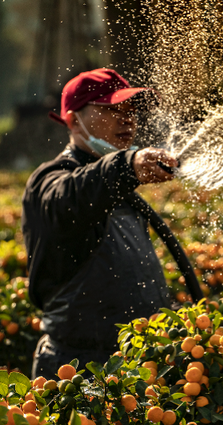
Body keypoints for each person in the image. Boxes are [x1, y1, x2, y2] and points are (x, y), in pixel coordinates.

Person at [22, 69, 181, 379]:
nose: (127, 119)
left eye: (130, 109)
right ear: (72, 120)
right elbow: (71, 197)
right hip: (76, 371)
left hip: (137, 369)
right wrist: (127, 165)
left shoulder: (118, 185)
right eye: (111, 109)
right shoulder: (50, 181)